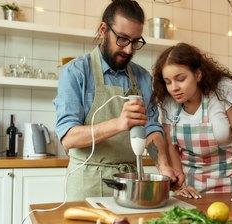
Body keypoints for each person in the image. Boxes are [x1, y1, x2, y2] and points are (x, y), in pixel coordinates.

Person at [53, 0, 182, 201]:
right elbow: (69, 137)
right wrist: (118, 124)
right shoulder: (76, 72)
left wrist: (163, 166)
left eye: (135, 41)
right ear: (103, 30)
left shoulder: (142, 78)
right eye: (122, 39)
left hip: (130, 182)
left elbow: (151, 128)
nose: (129, 50)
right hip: (87, 184)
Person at [150, 43, 232, 199]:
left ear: (198, 75)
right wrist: (181, 186)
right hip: (190, 190)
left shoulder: (223, 89)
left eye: (180, 79)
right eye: (168, 82)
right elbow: (171, 146)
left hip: (227, 186)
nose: (174, 88)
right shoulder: (169, 101)